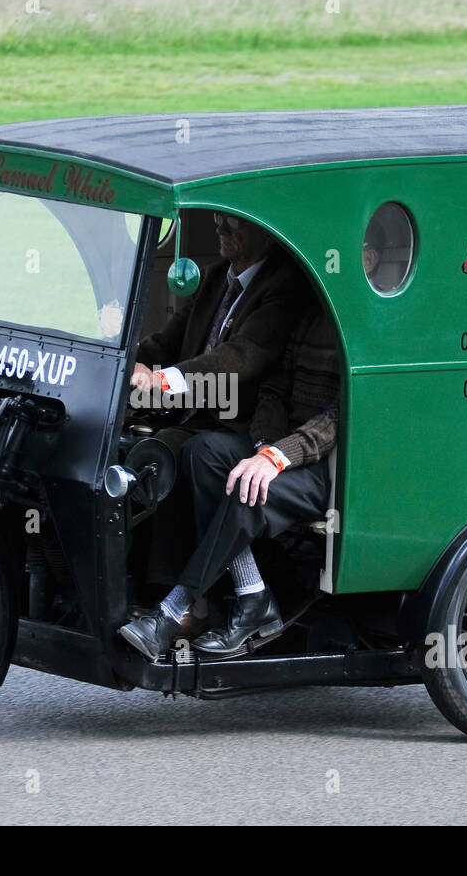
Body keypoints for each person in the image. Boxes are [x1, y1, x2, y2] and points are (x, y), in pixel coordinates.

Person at [119, 302, 340, 660]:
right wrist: (263, 445)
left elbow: (337, 419)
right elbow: (274, 390)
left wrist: (277, 457)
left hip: (331, 467)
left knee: (246, 486)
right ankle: (253, 594)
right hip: (285, 447)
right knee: (202, 451)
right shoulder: (311, 314)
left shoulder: (365, 325)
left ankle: (171, 612)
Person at [131, 212, 306, 589]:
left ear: (267, 230)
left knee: (169, 450)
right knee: (127, 442)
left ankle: (174, 597)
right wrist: (126, 363)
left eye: (234, 220)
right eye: (217, 217)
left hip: (244, 426)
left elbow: (240, 357)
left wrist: (160, 380)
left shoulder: (285, 285)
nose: (219, 227)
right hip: (190, 417)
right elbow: (166, 342)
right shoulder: (214, 278)